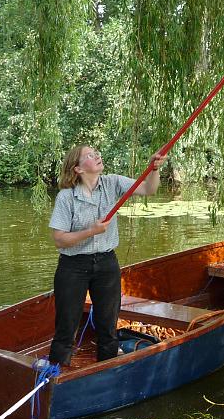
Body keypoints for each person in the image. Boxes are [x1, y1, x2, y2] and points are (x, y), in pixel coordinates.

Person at [44, 144, 166, 367]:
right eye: (89, 155)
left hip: (106, 263)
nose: (97, 155)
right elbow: (59, 239)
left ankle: (107, 369)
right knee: (66, 325)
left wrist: (154, 169)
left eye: (96, 152)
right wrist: (91, 230)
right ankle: (56, 374)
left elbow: (149, 189)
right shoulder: (66, 197)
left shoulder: (113, 183)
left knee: (108, 325)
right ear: (78, 169)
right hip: (73, 266)